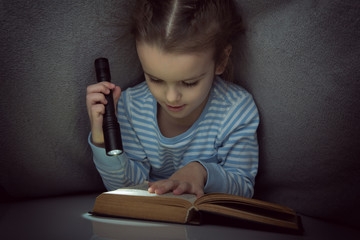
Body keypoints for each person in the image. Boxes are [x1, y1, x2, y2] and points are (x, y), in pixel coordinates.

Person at [86, 0, 259, 198]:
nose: (171, 98)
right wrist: (103, 141)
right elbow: (126, 190)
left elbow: (244, 189)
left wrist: (201, 173)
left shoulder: (236, 110)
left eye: (189, 82)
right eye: (155, 79)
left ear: (221, 60)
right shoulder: (132, 108)